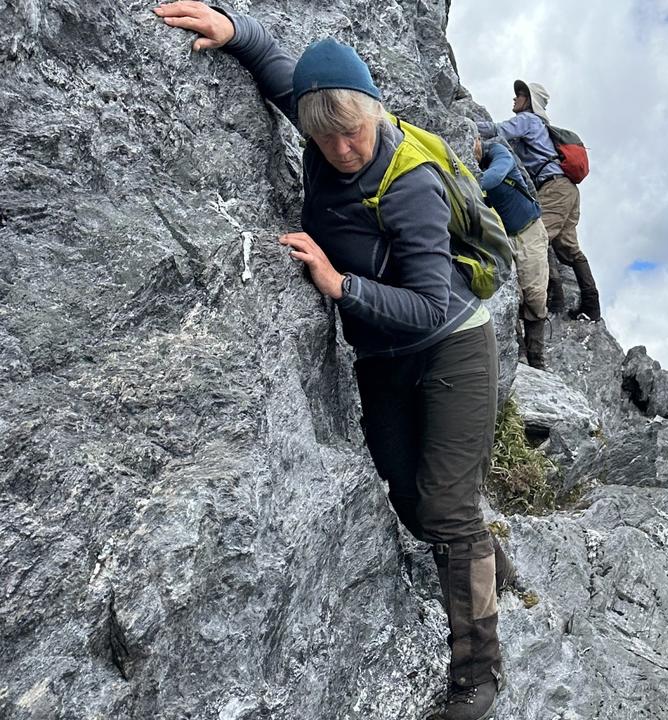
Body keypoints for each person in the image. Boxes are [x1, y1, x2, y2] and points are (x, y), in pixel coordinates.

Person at [153, 3, 502, 717]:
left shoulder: (411, 186)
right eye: (326, 135)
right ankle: (478, 559)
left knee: (444, 507)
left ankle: (478, 674)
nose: (342, 149)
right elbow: (284, 71)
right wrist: (230, 28)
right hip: (382, 355)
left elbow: (432, 305)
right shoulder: (321, 124)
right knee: (409, 498)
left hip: (454, 345)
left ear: (372, 110)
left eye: (352, 132)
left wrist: (341, 287)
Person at [477, 81, 601, 322]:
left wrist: (469, 126)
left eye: (519, 95)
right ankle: (591, 305)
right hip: (567, 189)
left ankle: (553, 298)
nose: (514, 99)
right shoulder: (538, 126)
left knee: (537, 235)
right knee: (569, 247)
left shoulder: (528, 120)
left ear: (529, 100)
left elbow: (498, 129)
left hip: (553, 187)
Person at [474, 137, 550, 369]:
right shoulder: (478, 164)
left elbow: (495, 177)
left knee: (534, 294)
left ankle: (536, 358)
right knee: (511, 295)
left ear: (478, 139)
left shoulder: (498, 152)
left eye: (473, 142)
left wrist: (466, 182)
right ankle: (519, 354)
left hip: (530, 232)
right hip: (503, 238)